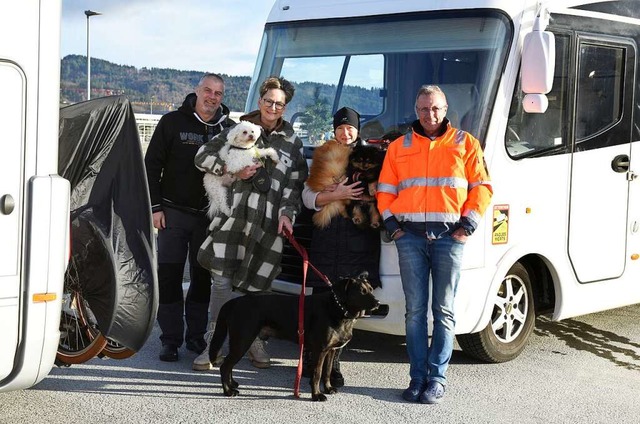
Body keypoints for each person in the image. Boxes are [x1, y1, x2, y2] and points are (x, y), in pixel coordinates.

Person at [376, 85, 492, 404]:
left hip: (449, 238)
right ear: (417, 111)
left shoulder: (465, 143)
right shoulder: (399, 147)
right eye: (425, 109)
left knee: (443, 311)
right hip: (409, 237)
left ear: (446, 110)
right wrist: (393, 227)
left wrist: (467, 225)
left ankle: (437, 379)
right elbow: (384, 191)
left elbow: (482, 188)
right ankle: (417, 378)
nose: (431, 115)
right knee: (414, 312)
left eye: (437, 109)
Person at [193, 76, 308, 370]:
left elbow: (294, 187)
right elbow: (201, 156)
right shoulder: (237, 129)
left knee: (257, 287)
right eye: (268, 101)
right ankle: (213, 342)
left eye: (278, 104)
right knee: (221, 281)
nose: (272, 107)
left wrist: (287, 214)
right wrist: (231, 174)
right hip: (233, 217)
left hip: (268, 225)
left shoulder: (293, 143)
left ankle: (253, 338)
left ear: (285, 107)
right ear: (260, 102)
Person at [144, 73, 235, 362]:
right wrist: (155, 207)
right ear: (196, 92)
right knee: (169, 276)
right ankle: (170, 339)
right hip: (172, 213)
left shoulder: (229, 130)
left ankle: (196, 336)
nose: (212, 97)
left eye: (218, 93)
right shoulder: (172, 122)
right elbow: (151, 166)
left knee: (201, 278)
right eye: (207, 90)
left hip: (209, 217)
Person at [300, 106, 382, 387]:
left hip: (356, 242)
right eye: (340, 128)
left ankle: (334, 365)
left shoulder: (371, 157)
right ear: (334, 130)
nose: (345, 133)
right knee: (320, 306)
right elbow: (307, 195)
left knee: (347, 313)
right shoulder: (324, 154)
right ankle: (313, 361)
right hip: (326, 238)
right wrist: (334, 194)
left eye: (350, 128)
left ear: (358, 130)